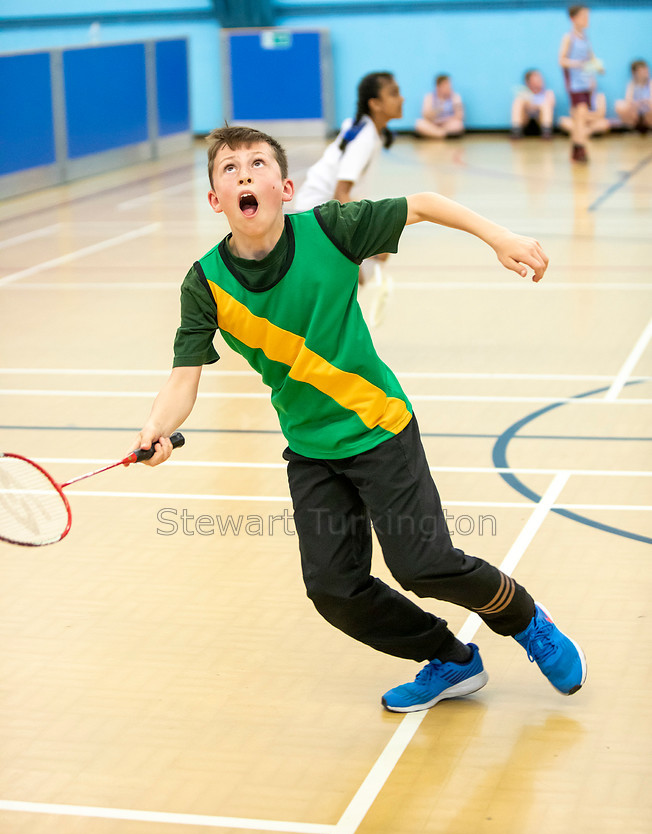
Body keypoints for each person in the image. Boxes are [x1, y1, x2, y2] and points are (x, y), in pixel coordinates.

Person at [132, 125, 586, 714]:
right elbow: (182, 377)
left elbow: (421, 204)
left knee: (424, 564)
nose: (244, 174)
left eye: (257, 164)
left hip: (379, 428)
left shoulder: (331, 229)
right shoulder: (206, 283)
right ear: (216, 200)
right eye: (228, 168)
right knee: (334, 590)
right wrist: (157, 429)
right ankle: (449, 659)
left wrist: (498, 237)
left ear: (286, 187)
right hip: (311, 449)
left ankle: (526, 620)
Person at [294, 71, 403, 286]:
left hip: (315, 212)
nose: (402, 99)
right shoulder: (364, 138)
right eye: (393, 94)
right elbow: (340, 194)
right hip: (315, 216)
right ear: (375, 104)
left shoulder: (365, 128)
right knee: (358, 275)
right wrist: (373, 232)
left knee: (353, 277)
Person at [558, 5, 603, 162]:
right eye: (583, 16)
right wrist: (578, 64)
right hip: (575, 84)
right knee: (581, 113)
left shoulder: (586, 38)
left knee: (579, 118)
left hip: (585, 83)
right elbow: (561, 60)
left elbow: (591, 59)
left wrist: (597, 68)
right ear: (573, 18)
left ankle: (576, 149)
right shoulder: (569, 38)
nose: (586, 19)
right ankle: (581, 148)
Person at [415, 74, 465, 139]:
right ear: (438, 86)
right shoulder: (429, 97)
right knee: (419, 123)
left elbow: (460, 116)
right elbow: (425, 115)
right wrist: (438, 108)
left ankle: (434, 134)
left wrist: (445, 120)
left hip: (448, 124)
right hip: (433, 124)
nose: (449, 87)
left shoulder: (455, 97)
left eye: (449, 85)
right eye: (445, 85)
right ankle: (443, 135)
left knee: (458, 125)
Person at [511, 70, 556, 139]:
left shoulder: (548, 93)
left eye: (539, 78)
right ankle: (516, 131)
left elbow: (552, 105)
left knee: (546, 105)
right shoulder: (524, 93)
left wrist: (536, 106)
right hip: (526, 121)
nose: (539, 80)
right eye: (535, 78)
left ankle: (546, 131)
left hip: (540, 121)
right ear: (528, 82)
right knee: (518, 101)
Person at [615, 59, 652, 133]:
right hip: (636, 112)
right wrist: (637, 104)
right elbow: (628, 100)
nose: (646, 72)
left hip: (647, 111)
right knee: (619, 104)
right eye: (642, 70)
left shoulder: (650, 83)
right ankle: (632, 125)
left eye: (646, 69)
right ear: (635, 73)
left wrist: (645, 102)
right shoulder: (632, 84)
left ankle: (648, 124)